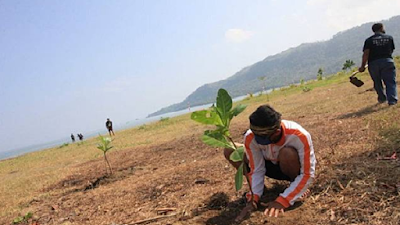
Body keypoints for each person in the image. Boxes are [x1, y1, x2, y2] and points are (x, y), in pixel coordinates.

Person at [224, 105, 316, 220]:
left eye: (265, 139)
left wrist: (283, 201)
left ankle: (295, 186)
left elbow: (308, 173)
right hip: (268, 165)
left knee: (287, 153)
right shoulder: (251, 136)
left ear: (276, 132)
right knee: (231, 150)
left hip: (289, 166)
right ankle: (261, 190)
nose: (262, 143)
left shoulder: (299, 135)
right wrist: (253, 198)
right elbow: (256, 169)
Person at [359, 23, 397, 106]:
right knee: (390, 81)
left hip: (373, 64)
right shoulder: (389, 38)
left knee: (377, 82)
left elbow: (366, 54)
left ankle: (382, 98)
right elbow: (391, 50)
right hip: (387, 61)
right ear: (381, 28)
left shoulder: (369, 40)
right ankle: (392, 100)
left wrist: (362, 66)